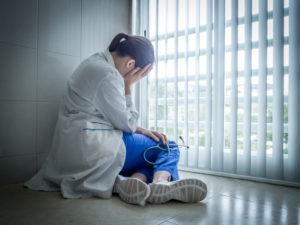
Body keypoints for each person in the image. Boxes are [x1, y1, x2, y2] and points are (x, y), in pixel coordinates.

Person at [25, 33, 207, 205]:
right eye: (139, 75)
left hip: (75, 147)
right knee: (168, 146)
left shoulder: (92, 63)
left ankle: (134, 183)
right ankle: (161, 184)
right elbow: (127, 124)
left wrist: (142, 130)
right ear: (131, 64)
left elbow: (111, 115)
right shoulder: (109, 74)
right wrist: (128, 86)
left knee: (147, 158)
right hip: (94, 147)